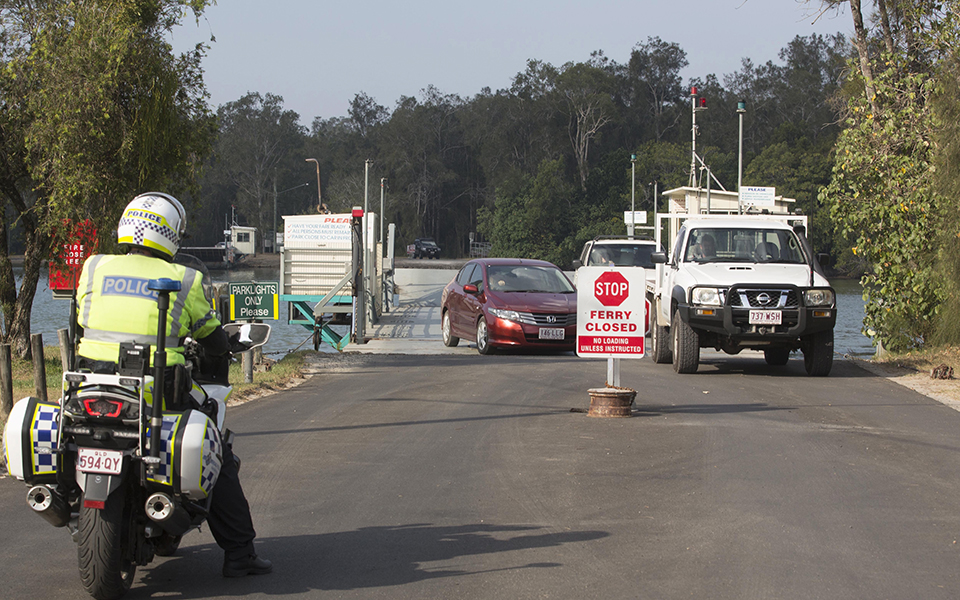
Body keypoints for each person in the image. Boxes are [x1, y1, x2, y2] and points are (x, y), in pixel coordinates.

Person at [74, 192, 272, 578]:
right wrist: (223, 344)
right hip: (157, 394)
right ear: (170, 235)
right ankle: (240, 554)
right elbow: (212, 336)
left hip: (90, 388)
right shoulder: (185, 279)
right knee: (218, 453)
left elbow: (82, 316)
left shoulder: (94, 266)